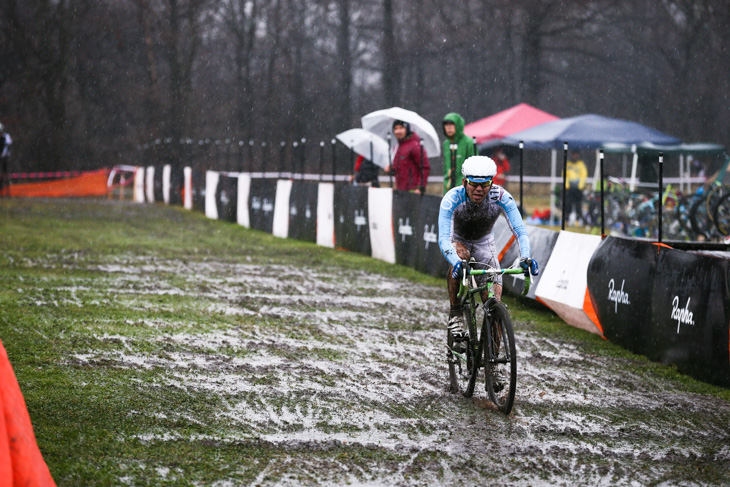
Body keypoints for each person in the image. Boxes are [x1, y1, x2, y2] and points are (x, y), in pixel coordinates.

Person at [438, 156, 537, 352]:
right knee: (460, 257)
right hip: (458, 241)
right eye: (474, 184)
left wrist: (526, 257)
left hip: (484, 245)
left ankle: (494, 363)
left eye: (485, 185)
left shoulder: (501, 197)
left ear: (492, 183)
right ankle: (456, 313)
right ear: (465, 182)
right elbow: (443, 238)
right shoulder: (452, 198)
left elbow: (520, 231)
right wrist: (455, 260)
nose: (479, 190)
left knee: (493, 302)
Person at [384, 120, 430, 193]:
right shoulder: (397, 147)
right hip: (401, 191)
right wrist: (391, 170)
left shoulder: (414, 145)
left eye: (401, 128)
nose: (398, 131)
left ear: (407, 129)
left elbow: (424, 167)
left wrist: (420, 187)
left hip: (413, 191)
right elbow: (399, 170)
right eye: (395, 129)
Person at [441, 113, 476, 194]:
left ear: (458, 125)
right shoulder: (446, 144)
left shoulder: (468, 142)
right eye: (446, 125)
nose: (449, 127)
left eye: (451, 124)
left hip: (464, 187)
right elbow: (446, 167)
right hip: (448, 187)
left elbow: (474, 167)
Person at [564, 151, 587, 226]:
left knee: (578, 205)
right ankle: (566, 220)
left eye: (576, 154)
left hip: (578, 188)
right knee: (568, 204)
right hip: (570, 188)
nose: (575, 156)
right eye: (574, 154)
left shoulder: (581, 164)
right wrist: (567, 184)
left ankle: (577, 220)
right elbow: (565, 174)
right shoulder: (568, 164)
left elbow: (583, 175)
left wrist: (580, 185)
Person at [0, 123, 11, 197]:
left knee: (5, 173)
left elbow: (8, 145)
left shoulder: (6, 137)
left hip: (4, 158)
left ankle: (6, 191)